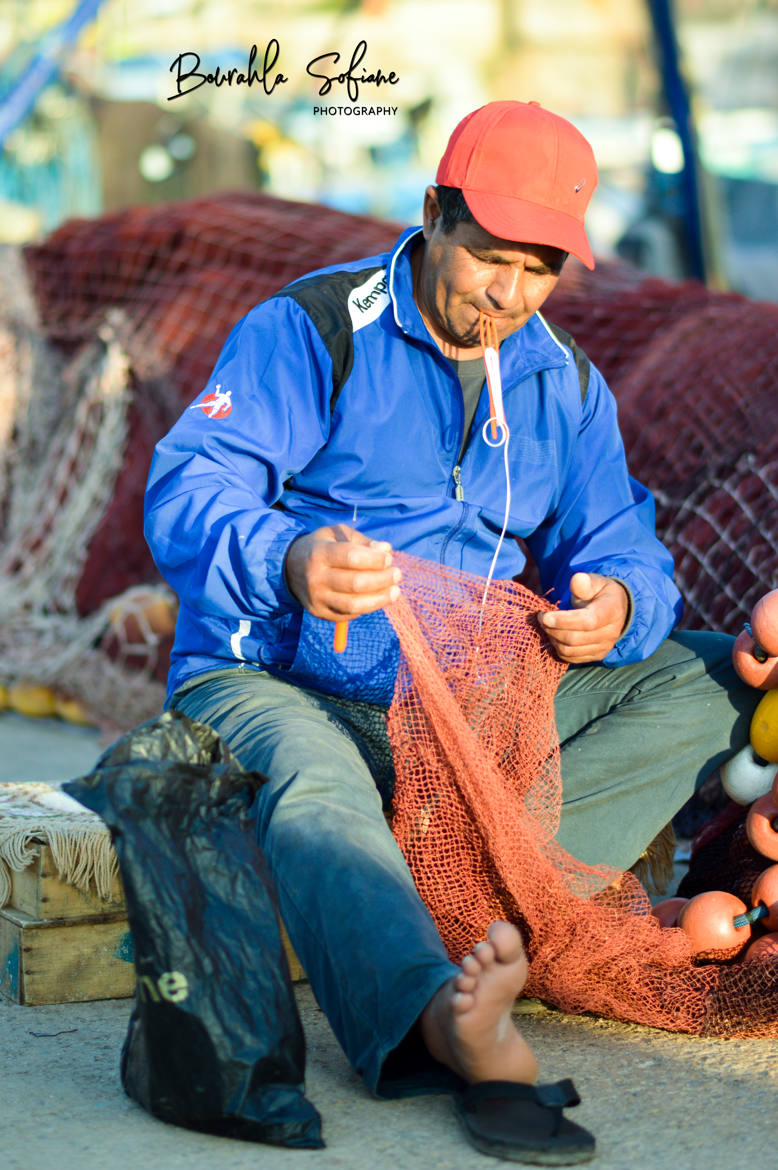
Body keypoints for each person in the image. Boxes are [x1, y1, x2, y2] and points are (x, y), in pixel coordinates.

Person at [144, 101, 759, 1164]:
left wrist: (615, 602)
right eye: (489, 260)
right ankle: (445, 1016)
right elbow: (187, 490)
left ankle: (477, 901)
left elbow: (622, 542)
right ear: (433, 213)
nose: (510, 296)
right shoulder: (314, 330)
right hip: (278, 678)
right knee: (317, 793)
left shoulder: (559, 379)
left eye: (539, 271)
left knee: (703, 678)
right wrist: (292, 561)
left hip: (463, 700)